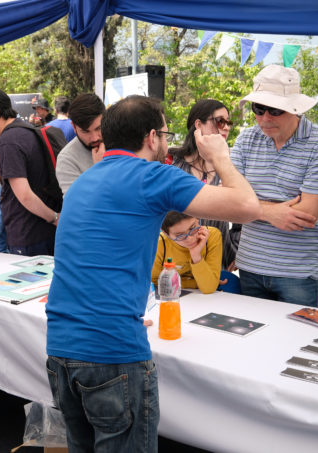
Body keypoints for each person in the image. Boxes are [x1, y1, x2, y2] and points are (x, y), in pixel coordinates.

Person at [45, 95, 260, 452]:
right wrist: (219, 155)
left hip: (61, 347)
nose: (165, 140)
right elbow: (247, 206)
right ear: (151, 137)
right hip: (111, 351)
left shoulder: (84, 180)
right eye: (164, 132)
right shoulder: (151, 175)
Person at [231, 65, 318, 307]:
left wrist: (249, 205)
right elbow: (228, 202)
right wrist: (272, 211)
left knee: (294, 343)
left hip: (297, 274)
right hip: (250, 266)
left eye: (275, 110)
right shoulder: (247, 138)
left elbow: (305, 215)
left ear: (294, 108)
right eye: (258, 108)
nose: (265, 118)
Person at [0, 88, 59, 256]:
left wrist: (54, 218)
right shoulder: (25, 130)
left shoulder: (8, 141)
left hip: (29, 235)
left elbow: (24, 194)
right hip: (41, 232)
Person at [169, 99, 240, 271]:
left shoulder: (230, 167)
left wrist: (237, 251)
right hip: (178, 267)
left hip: (220, 266)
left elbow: (242, 216)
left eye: (228, 122)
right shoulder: (172, 165)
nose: (227, 127)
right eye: (219, 121)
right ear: (198, 124)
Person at [151, 211, 222, 294]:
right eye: (179, 235)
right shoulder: (158, 244)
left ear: (197, 219)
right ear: (166, 234)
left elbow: (209, 288)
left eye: (192, 228)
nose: (190, 239)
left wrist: (196, 255)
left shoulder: (212, 236)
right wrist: (196, 283)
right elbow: (154, 282)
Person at [55, 93, 106, 194]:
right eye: (85, 131)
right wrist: (100, 168)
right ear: (73, 127)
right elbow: (77, 205)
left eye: (98, 128)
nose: (95, 138)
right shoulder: (67, 159)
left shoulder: (120, 140)